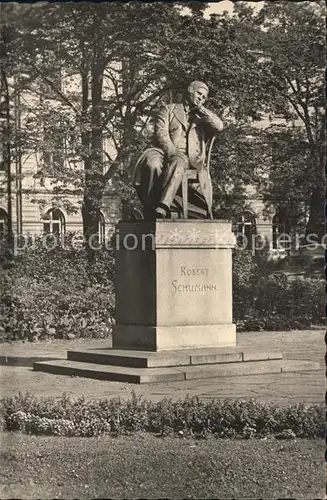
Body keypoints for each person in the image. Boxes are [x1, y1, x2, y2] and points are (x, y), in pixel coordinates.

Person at [132, 80, 224, 219]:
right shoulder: (168, 109)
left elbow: (219, 126)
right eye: (199, 94)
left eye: (204, 97)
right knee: (152, 164)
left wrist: (202, 109)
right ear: (189, 90)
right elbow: (161, 132)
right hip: (162, 151)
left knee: (179, 162)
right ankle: (149, 204)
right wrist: (171, 151)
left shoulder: (202, 118)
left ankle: (162, 206)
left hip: (186, 157)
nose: (201, 98)